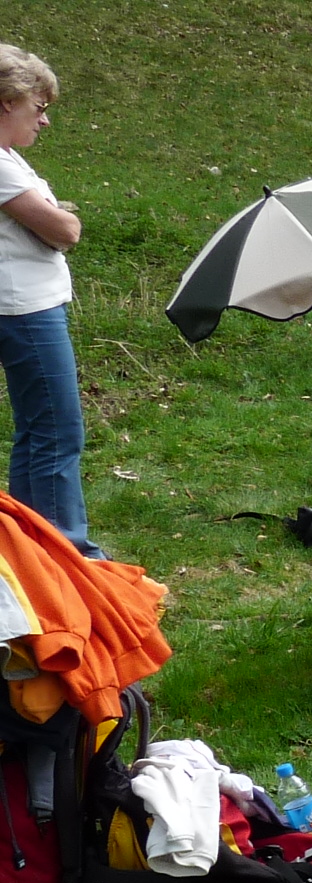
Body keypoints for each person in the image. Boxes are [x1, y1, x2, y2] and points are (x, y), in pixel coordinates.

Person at [0, 47, 97, 558]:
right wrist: (61, 217)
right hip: (23, 311)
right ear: (4, 103)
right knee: (58, 434)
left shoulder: (9, 158)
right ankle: (69, 556)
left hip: (29, 305)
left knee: (38, 432)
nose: (45, 117)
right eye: (36, 107)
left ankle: (33, 552)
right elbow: (63, 230)